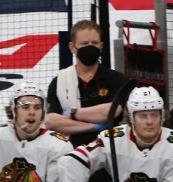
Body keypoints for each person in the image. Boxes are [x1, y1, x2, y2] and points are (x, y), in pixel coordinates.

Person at [54, 86, 173, 182]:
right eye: (143, 116)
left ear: (162, 116)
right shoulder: (112, 138)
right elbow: (73, 160)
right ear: (131, 118)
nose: (149, 121)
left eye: (154, 115)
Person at [45, 19, 129, 149]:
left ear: (101, 46)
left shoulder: (116, 79)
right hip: (70, 153)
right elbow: (51, 121)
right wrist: (93, 126)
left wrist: (73, 113)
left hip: (108, 151)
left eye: (94, 43)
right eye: (84, 44)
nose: (90, 47)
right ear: (72, 47)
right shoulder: (60, 81)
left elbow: (112, 110)